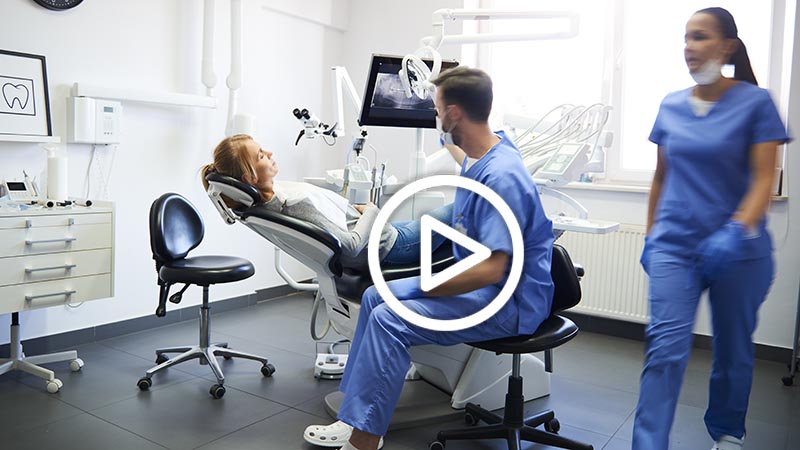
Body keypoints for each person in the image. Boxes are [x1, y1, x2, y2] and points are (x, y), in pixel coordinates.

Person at [304, 67, 555, 450]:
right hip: (489, 287)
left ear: (454, 113)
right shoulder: (486, 148)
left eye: (438, 109)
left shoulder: (502, 176)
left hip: (510, 301)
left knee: (390, 317)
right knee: (376, 295)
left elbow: (492, 268)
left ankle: (365, 440)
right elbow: (457, 148)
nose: (436, 116)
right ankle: (352, 418)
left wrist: (427, 285)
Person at [633, 7, 790, 450]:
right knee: (664, 351)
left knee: (733, 352)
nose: (689, 47)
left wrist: (736, 230)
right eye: (685, 38)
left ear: (727, 46)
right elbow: (661, 177)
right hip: (674, 246)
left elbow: (765, 179)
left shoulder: (756, 103)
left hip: (738, 251)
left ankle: (726, 433)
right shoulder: (671, 104)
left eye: (700, 37)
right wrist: (650, 236)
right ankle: (648, 443)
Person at [200, 134, 453, 269]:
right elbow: (351, 246)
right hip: (391, 247)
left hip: (387, 236)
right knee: (463, 208)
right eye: (261, 155)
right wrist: (371, 210)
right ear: (250, 177)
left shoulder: (266, 204)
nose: (270, 153)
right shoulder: (292, 204)